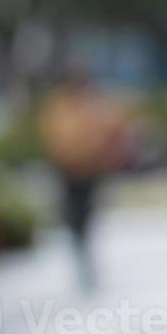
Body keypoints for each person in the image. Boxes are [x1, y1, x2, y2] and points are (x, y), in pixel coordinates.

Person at [35, 61, 131, 294]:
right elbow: (53, 137)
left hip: (90, 170)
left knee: (86, 214)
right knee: (71, 215)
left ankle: (85, 256)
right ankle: (80, 254)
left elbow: (114, 130)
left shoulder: (94, 105)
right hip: (67, 171)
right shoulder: (59, 107)